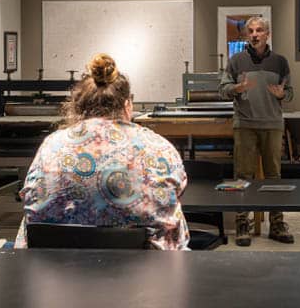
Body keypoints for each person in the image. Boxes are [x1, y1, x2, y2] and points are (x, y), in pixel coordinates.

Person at [17, 54, 189, 250]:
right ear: (127, 105)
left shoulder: (51, 146)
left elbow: (32, 206)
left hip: (54, 273)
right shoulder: (159, 148)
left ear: (78, 107)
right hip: (147, 274)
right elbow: (174, 195)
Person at [219, 16, 294, 247]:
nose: (254, 34)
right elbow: (223, 89)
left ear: (267, 34)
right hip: (245, 124)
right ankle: (243, 224)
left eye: (259, 30)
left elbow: (289, 93)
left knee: (274, 178)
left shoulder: (280, 62)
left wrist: (282, 95)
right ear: (246, 35)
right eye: (250, 31)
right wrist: (236, 88)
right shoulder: (236, 61)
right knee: (243, 177)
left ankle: (277, 224)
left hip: (272, 124)